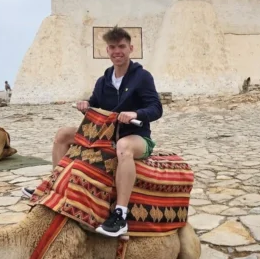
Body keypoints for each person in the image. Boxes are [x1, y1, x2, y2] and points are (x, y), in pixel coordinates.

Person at [23, 26, 162, 237]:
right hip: (104, 134)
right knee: (62, 134)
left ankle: (120, 215)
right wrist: (85, 105)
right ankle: (54, 187)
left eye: (121, 46)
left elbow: (156, 108)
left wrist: (136, 114)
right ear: (107, 50)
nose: (117, 51)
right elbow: (95, 104)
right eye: (112, 47)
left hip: (136, 137)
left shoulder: (142, 77)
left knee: (124, 146)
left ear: (130, 48)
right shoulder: (103, 80)